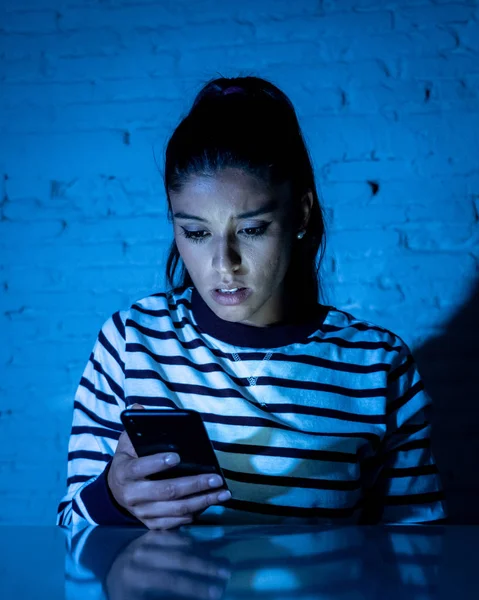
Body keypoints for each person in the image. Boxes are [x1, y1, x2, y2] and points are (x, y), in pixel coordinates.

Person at [57, 75, 447, 530]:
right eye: (196, 233)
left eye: (252, 229)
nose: (224, 264)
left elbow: (418, 550)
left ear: (300, 213)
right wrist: (114, 497)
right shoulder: (131, 341)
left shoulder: (379, 365)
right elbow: (70, 529)